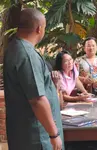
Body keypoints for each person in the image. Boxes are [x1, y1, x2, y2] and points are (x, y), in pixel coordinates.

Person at [3, 8, 63, 150]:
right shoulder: (27, 55)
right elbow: (37, 100)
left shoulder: (14, 47)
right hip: (37, 136)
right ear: (39, 28)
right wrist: (53, 134)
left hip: (24, 133)